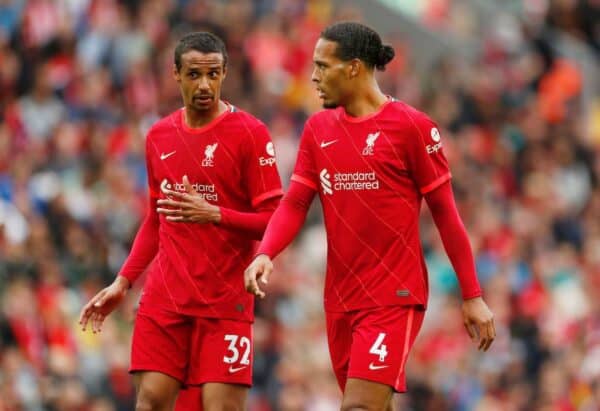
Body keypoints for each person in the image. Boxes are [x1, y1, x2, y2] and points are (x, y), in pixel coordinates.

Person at [244, 22, 495, 411]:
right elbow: (295, 204)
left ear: (354, 68)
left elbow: (446, 215)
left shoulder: (411, 127)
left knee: (358, 406)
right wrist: (265, 253)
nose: (313, 76)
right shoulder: (318, 128)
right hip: (340, 298)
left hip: (393, 295)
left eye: (322, 66)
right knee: (372, 404)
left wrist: (472, 295)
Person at [79, 32, 283, 411]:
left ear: (224, 74)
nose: (204, 84)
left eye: (213, 74)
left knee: (221, 407)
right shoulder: (158, 136)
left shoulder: (251, 134)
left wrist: (216, 214)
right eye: (193, 74)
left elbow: (276, 219)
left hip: (225, 301)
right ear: (175, 74)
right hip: (166, 298)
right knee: (152, 401)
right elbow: (156, 219)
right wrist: (123, 282)